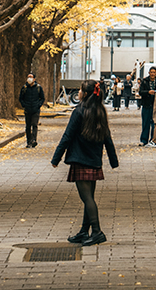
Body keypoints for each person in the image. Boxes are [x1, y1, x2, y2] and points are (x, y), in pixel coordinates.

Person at [51, 79, 118, 246]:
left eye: (80, 91)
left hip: (80, 159)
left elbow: (68, 135)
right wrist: (113, 159)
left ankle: (96, 232)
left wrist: (56, 158)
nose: (78, 93)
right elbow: (107, 136)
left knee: (87, 198)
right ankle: (84, 231)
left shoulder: (79, 111)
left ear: (85, 94)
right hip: (94, 160)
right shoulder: (100, 110)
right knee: (90, 198)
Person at [19, 72, 45, 147]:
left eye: (31, 77)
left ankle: (34, 140)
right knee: (28, 126)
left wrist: (38, 105)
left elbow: (42, 98)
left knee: (34, 124)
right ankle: (28, 141)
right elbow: (21, 98)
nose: (29, 78)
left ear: (34, 79)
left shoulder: (38, 87)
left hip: (35, 109)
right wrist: (24, 105)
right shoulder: (24, 88)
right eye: (28, 77)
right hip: (27, 109)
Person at [138, 66, 156, 145]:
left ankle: (152, 140)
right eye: (151, 72)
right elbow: (140, 92)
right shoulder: (144, 81)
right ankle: (144, 140)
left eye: (154, 72)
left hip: (155, 106)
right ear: (149, 73)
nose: (152, 74)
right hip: (146, 104)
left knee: (154, 124)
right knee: (145, 123)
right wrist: (148, 92)